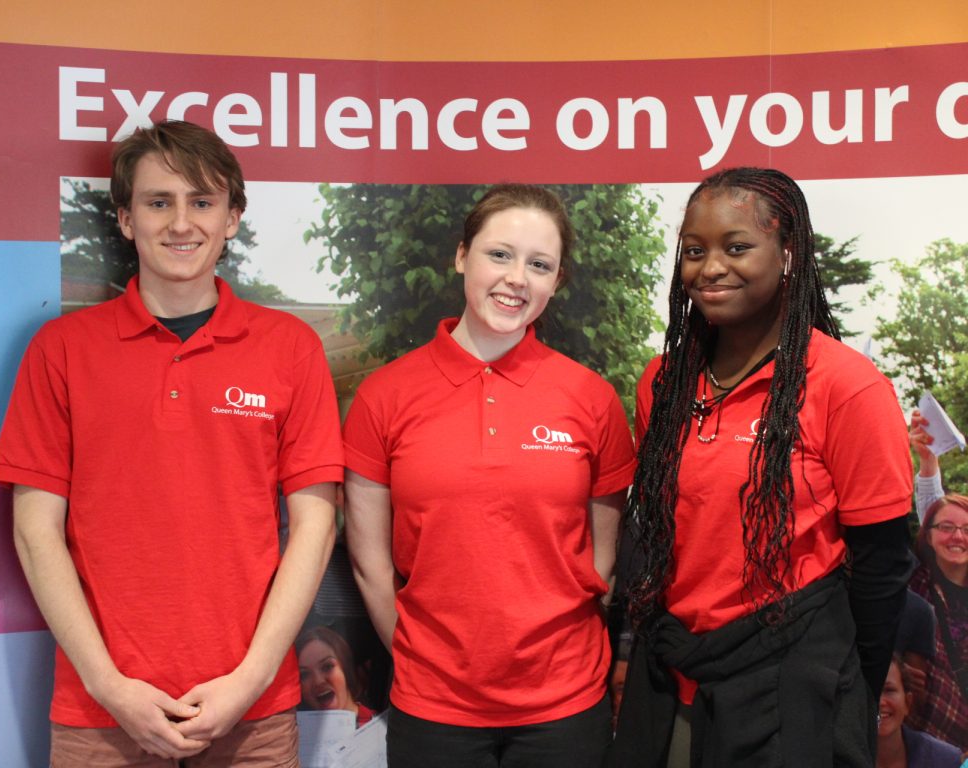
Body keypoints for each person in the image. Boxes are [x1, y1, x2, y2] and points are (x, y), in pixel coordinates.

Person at [0, 120, 342, 767]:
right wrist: (110, 687)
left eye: (202, 202)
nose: (181, 223)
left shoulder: (291, 349)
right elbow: (35, 531)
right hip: (101, 715)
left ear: (232, 217)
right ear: (126, 219)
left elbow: (316, 524)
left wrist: (251, 679)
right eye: (159, 202)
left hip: (251, 714)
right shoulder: (61, 351)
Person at [610, 167, 913, 767]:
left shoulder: (846, 386)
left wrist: (851, 690)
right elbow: (652, 535)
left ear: (789, 253)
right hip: (670, 673)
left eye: (737, 246)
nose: (710, 267)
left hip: (790, 682)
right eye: (694, 251)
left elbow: (881, 565)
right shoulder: (662, 383)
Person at [343, 184, 636, 767]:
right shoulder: (384, 395)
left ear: (556, 282)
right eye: (499, 254)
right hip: (433, 709)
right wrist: (415, 655)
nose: (517, 279)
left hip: (565, 706)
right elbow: (369, 561)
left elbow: (601, 557)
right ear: (462, 257)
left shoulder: (591, 398)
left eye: (539, 265)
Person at [908, 493, 968, 749]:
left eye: (967, 529)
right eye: (946, 527)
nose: (958, 536)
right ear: (928, 536)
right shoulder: (910, 586)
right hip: (923, 730)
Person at [876, 655, 961, 768]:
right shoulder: (845, 759)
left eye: (889, 690)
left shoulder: (947, 761)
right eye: (868, 692)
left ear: (907, 702)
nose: (880, 702)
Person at [297, 626, 377, 726]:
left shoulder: (380, 727)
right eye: (304, 675)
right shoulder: (294, 737)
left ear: (345, 668)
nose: (318, 681)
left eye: (327, 667)